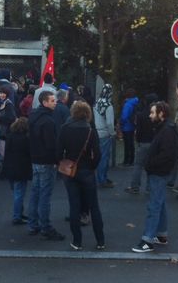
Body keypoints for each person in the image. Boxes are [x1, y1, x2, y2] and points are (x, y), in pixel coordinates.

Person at [131, 101, 178, 253]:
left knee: (154, 205)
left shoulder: (166, 131)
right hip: (159, 171)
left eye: (152, 113)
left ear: (161, 114)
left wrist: (150, 164)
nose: (150, 115)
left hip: (159, 172)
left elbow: (167, 155)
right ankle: (161, 234)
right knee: (160, 202)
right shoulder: (164, 128)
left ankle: (147, 240)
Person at [57, 101, 104, 251]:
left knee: (74, 206)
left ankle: (77, 241)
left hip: (70, 171)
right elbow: (97, 154)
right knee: (94, 206)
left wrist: (63, 162)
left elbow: (58, 152)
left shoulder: (65, 129)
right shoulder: (90, 130)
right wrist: (92, 166)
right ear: (87, 113)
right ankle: (100, 240)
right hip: (87, 171)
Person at [27, 90, 65, 240]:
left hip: (35, 159)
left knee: (35, 193)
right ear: (45, 102)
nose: (55, 102)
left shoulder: (34, 117)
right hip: (46, 161)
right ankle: (45, 226)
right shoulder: (48, 121)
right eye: (52, 100)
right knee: (45, 195)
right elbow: (51, 144)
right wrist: (57, 160)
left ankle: (33, 224)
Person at [125, 93, 158, 194]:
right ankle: (150, 187)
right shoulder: (158, 114)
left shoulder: (141, 115)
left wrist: (138, 140)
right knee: (152, 166)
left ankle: (135, 186)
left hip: (143, 142)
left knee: (138, 165)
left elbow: (138, 130)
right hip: (154, 142)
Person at [1, 117, 32, 225]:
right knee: (19, 193)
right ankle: (17, 215)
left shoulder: (10, 137)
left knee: (16, 192)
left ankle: (19, 213)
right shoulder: (26, 139)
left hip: (10, 168)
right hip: (21, 169)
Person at [93, 83, 116, 188]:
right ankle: (102, 179)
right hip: (105, 133)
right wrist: (113, 133)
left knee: (99, 156)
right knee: (104, 157)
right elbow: (110, 123)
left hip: (97, 132)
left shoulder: (96, 103)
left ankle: (100, 177)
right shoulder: (108, 106)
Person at [120, 88, 139, 166]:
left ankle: (126, 160)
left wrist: (121, 123)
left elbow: (124, 116)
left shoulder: (127, 104)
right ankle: (132, 160)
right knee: (131, 144)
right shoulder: (136, 102)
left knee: (127, 144)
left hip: (126, 126)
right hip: (132, 125)